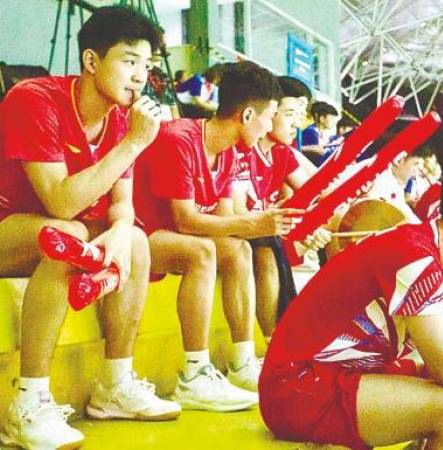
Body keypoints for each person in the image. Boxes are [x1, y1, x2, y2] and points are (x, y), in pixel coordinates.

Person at [0, 6, 181, 449]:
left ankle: (116, 383)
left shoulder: (119, 118)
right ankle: (28, 403)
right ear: (92, 61)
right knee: (68, 237)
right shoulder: (35, 99)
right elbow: (61, 201)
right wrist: (135, 143)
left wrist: (120, 232)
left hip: (40, 227)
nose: (140, 76)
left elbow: (123, 205)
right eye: (129, 61)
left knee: (134, 240)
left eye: (147, 66)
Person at [260, 150, 443, 450]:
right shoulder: (413, 253)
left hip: (338, 377)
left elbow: (442, 363)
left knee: (441, 389)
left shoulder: (438, 260)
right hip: (295, 388)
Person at [133, 61, 302, 412]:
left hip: (173, 236)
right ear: (246, 115)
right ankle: (194, 376)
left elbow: (227, 221)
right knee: (202, 252)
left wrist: (271, 227)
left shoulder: (230, 151)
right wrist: (256, 223)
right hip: (139, 235)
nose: (270, 126)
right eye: (269, 117)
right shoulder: (179, 138)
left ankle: (242, 363)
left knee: (237, 250)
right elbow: (185, 220)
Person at [232, 75, 331, 345]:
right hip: (239, 231)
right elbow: (238, 215)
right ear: (270, 111)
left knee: (280, 242)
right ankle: (271, 341)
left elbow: (316, 195)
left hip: (264, 230)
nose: (297, 123)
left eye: (299, 115)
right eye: (289, 114)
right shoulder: (240, 149)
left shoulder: (282, 154)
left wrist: (310, 226)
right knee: (267, 249)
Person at [300, 101, 340, 166]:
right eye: (332, 118)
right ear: (322, 119)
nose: (335, 122)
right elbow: (315, 159)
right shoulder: (310, 132)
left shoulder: (324, 134)